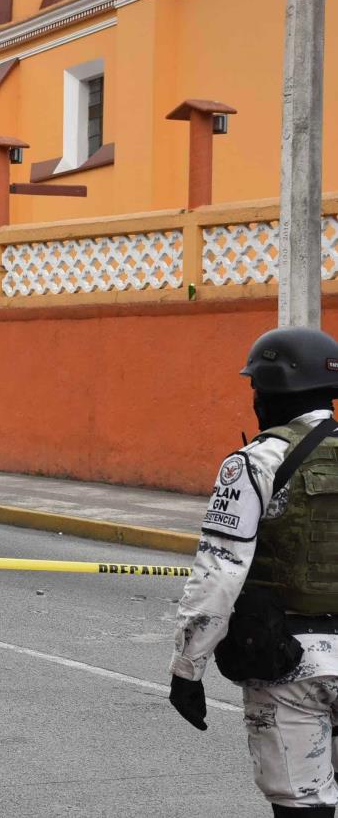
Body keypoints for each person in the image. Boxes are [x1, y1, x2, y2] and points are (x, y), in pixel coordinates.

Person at [170, 325, 338, 817]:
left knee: (301, 807)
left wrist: (188, 667)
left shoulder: (254, 463)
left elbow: (219, 572)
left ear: (268, 392)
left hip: (290, 665)